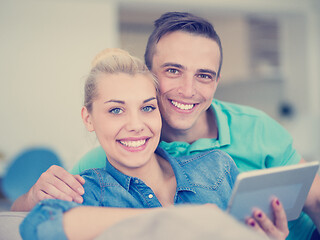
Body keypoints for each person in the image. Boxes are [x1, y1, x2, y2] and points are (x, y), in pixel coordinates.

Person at [12, 11, 320, 240]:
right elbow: (34, 222)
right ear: (151, 76)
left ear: (216, 82)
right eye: (174, 70)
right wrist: (180, 223)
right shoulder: (94, 177)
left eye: (204, 75)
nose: (188, 90)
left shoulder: (220, 164)